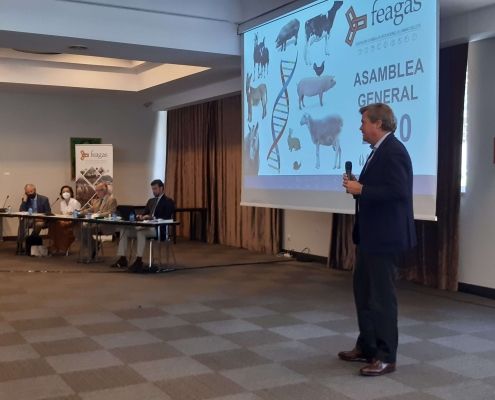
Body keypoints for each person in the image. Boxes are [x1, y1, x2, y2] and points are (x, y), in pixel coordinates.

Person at [340, 103, 417, 377]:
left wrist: (363, 189)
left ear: (378, 124)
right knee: (363, 294)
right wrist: (359, 188)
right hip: (370, 236)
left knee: (382, 298)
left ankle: (386, 357)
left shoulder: (394, 151)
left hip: (385, 238)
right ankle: (367, 346)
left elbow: (399, 192)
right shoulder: (378, 151)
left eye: (364, 122)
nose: (360, 127)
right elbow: (380, 189)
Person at [112, 179, 175, 273]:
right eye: (152, 189)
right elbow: (145, 213)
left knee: (141, 233)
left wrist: (152, 217)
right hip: (146, 226)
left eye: (155, 189)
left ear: (161, 188)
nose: (153, 191)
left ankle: (139, 260)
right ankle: (122, 258)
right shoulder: (151, 201)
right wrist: (140, 216)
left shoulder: (168, 201)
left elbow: (166, 217)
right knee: (124, 230)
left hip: (158, 230)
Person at [79, 182, 117, 259]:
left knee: (87, 230)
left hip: (105, 225)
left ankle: (93, 248)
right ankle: (94, 246)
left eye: (99, 190)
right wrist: (79, 212)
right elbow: (90, 210)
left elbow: (111, 212)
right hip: (95, 224)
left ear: (105, 190)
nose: (97, 192)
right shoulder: (97, 201)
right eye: (96, 190)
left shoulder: (112, 200)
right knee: (81, 230)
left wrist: (98, 215)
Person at [17, 184, 51, 253]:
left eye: (31, 191)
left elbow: (48, 213)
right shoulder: (26, 199)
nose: (29, 194)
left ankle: (30, 239)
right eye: (27, 192)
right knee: (23, 222)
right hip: (30, 219)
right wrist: (24, 201)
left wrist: (40, 218)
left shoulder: (44, 199)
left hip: (41, 220)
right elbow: (21, 212)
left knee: (38, 224)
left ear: (35, 190)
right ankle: (20, 244)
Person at [47, 185, 81, 255]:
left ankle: (62, 247)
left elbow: (77, 215)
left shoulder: (75, 202)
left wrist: (70, 215)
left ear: (71, 193)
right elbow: (62, 214)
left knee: (59, 225)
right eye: (63, 192)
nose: (65, 193)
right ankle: (56, 246)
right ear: (61, 194)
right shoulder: (62, 202)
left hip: (73, 222)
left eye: (67, 191)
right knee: (52, 224)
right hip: (63, 221)